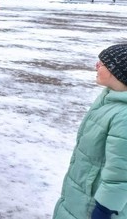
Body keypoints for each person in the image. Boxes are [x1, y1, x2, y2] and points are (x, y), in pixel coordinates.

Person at [53, 44, 127, 219]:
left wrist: (104, 210)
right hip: (82, 194)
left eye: (102, 64)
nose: (96, 66)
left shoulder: (124, 116)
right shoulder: (109, 97)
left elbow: (121, 173)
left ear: (118, 73)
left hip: (97, 206)